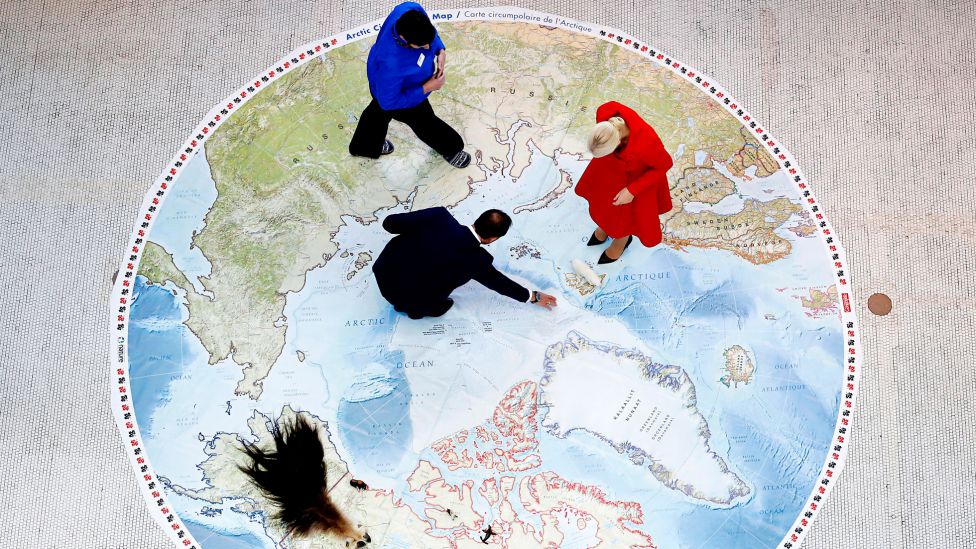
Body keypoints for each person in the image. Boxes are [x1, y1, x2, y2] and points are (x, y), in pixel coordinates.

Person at [372, 207, 558, 319]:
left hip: (384, 273)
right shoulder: (478, 260)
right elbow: (500, 283)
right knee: (436, 306)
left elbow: (389, 224)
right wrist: (533, 296)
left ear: (477, 220)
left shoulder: (438, 216)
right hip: (414, 303)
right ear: (492, 239)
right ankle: (418, 310)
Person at [348, 2, 471, 168]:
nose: (427, 47)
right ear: (404, 39)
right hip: (398, 92)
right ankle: (452, 149)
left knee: (377, 113)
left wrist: (440, 50)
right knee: (423, 120)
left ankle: (364, 146)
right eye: (421, 45)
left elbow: (427, 30)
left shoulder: (407, 10)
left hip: (384, 85)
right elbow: (388, 103)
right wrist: (428, 87)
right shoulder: (392, 65)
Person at [239, 415, 371, 546]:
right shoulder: (311, 498)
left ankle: (352, 536)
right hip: (305, 493)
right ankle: (351, 536)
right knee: (320, 506)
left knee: (320, 506)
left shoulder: (312, 496)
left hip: (306, 491)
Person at [574, 101, 674, 264]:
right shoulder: (605, 117)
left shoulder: (646, 143)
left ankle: (621, 240)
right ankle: (605, 227)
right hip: (609, 171)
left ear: (618, 142)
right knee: (603, 203)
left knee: (625, 217)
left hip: (633, 181)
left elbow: (665, 164)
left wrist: (632, 190)